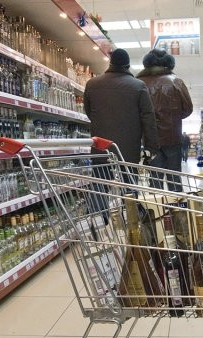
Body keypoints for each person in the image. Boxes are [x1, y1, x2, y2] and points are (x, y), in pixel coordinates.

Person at [83, 49, 159, 218]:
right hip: (128, 149)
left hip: (101, 147)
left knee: (99, 185)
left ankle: (98, 222)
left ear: (110, 63)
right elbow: (149, 119)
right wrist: (151, 147)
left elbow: (89, 112)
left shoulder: (92, 84)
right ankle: (132, 221)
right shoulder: (138, 86)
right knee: (129, 186)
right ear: (128, 65)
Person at [137, 49, 193, 192]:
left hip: (150, 139)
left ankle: (156, 206)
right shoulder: (176, 81)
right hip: (173, 137)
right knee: (174, 178)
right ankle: (177, 205)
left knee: (154, 179)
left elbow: (134, 111)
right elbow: (188, 108)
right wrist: (172, 117)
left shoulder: (139, 83)